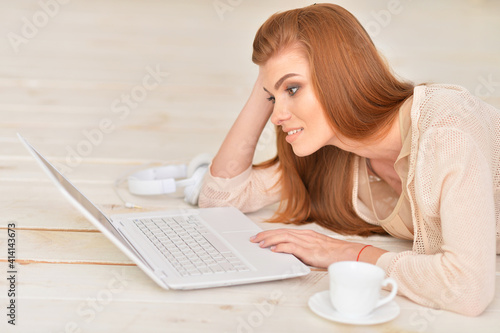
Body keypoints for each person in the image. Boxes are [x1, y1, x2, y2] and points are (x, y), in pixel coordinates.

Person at [198, 3, 499, 316]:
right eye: (272, 98)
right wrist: (268, 79)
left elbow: (468, 289)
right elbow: (220, 198)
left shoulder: (447, 131)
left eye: (294, 88)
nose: (276, 116)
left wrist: (345, 253)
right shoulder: (336, 151)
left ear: (340, 76)